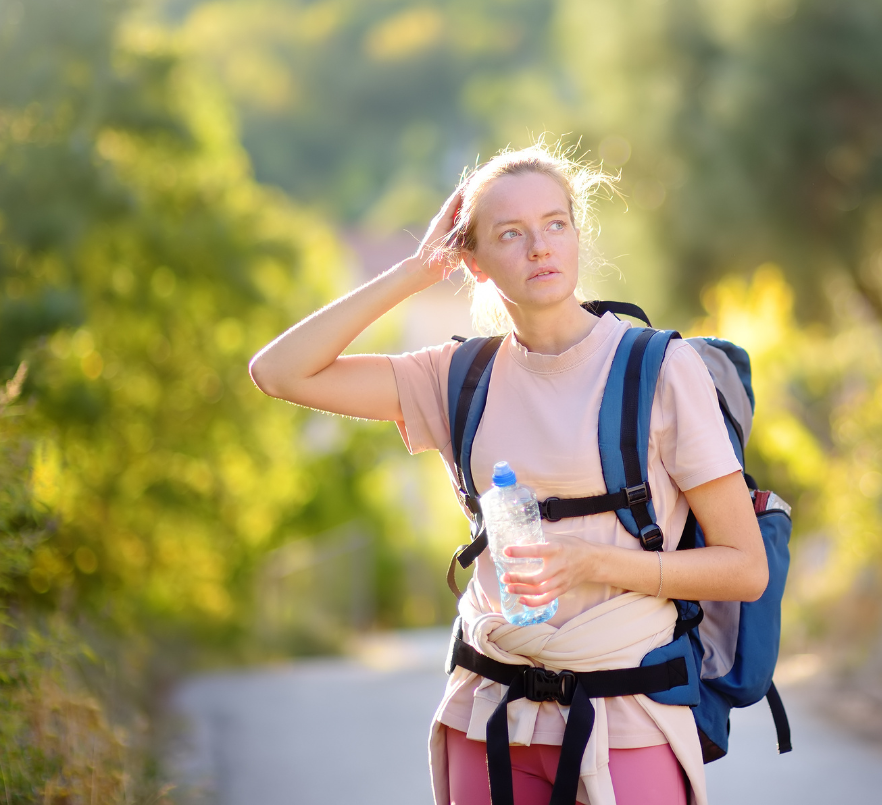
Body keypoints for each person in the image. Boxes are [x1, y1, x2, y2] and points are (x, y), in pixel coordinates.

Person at [248, 144, 768, 805]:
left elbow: (744, 568)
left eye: (555, 224)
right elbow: (278, 372)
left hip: (628, 713)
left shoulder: (660, 369)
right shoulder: (455, 378)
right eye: (510, 234)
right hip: (489, 713)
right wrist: (415, 271)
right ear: (473, 262)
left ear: (576, 235)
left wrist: (594, 563)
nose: (540, 247)